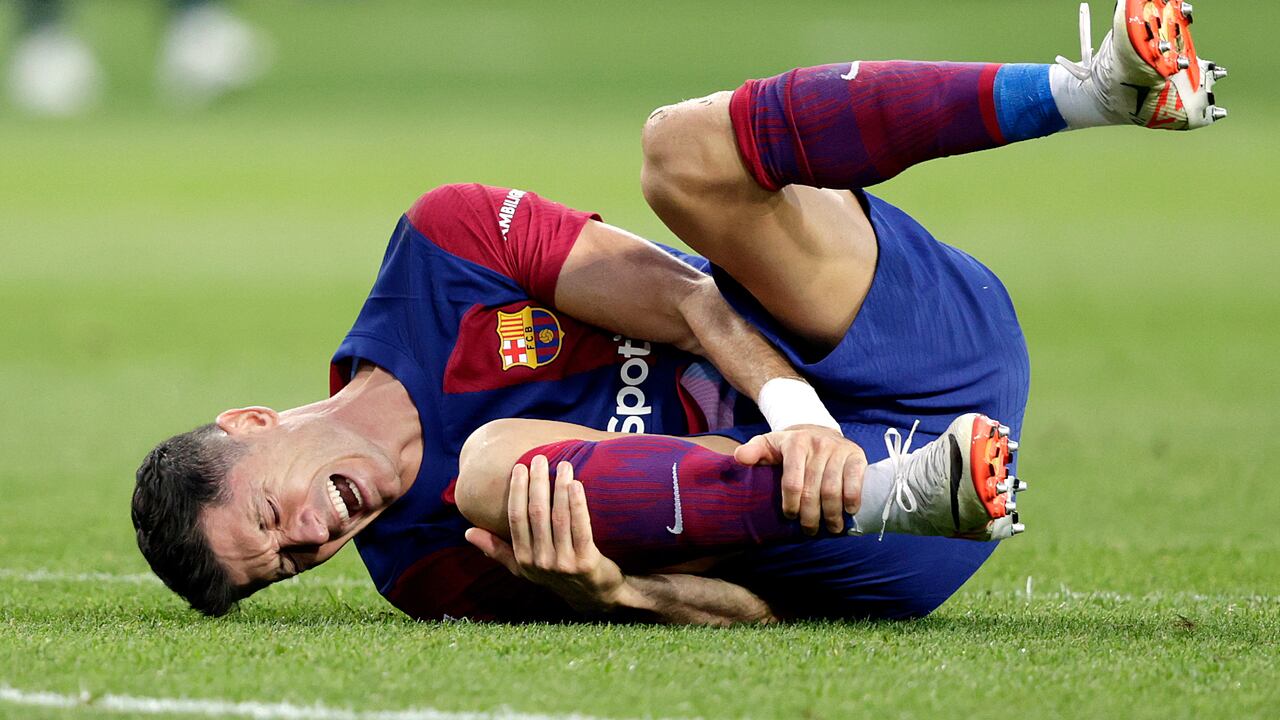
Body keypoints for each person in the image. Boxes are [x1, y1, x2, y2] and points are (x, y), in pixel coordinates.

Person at [131, 0, 1224, 623]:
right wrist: (616, 593)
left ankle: (1090, 91)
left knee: (678, 151)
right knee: (491, 476)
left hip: (903, 346)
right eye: (288, 566)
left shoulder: (442, 249)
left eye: (269, 520)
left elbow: (686, 295)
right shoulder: (424, 568)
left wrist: (799, 415)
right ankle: (898, 490)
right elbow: (747, 612)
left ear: (251, 424)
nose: (311, 540)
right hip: (900, 527)